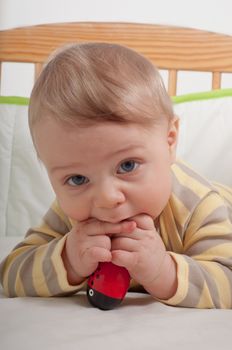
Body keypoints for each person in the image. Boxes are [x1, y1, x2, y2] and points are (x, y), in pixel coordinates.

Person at [1, 43, 232, 308]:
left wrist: (163, 271)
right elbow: (11, 273)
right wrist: (67, 258)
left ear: (169, 142)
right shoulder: (73, 214)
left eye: (128, 165)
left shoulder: (200, 206)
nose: (107, 198)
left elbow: (227, 281)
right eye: (78, 179)